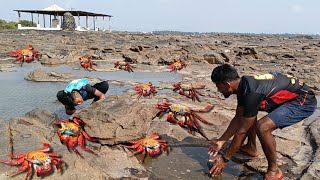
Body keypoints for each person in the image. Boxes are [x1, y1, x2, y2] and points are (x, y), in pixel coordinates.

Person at [208, 64, 317, 179]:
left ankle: (274, 171)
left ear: (227, 85)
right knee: (248, 114)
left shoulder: (251, 92)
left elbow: (242, 131)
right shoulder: (243, 85)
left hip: (303, 101)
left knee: (263, 127)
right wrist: (221, 141)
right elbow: (239, 117)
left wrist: (225, 159)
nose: (218, 90)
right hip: (291, 94)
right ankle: (251, 148)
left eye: (218, 86)